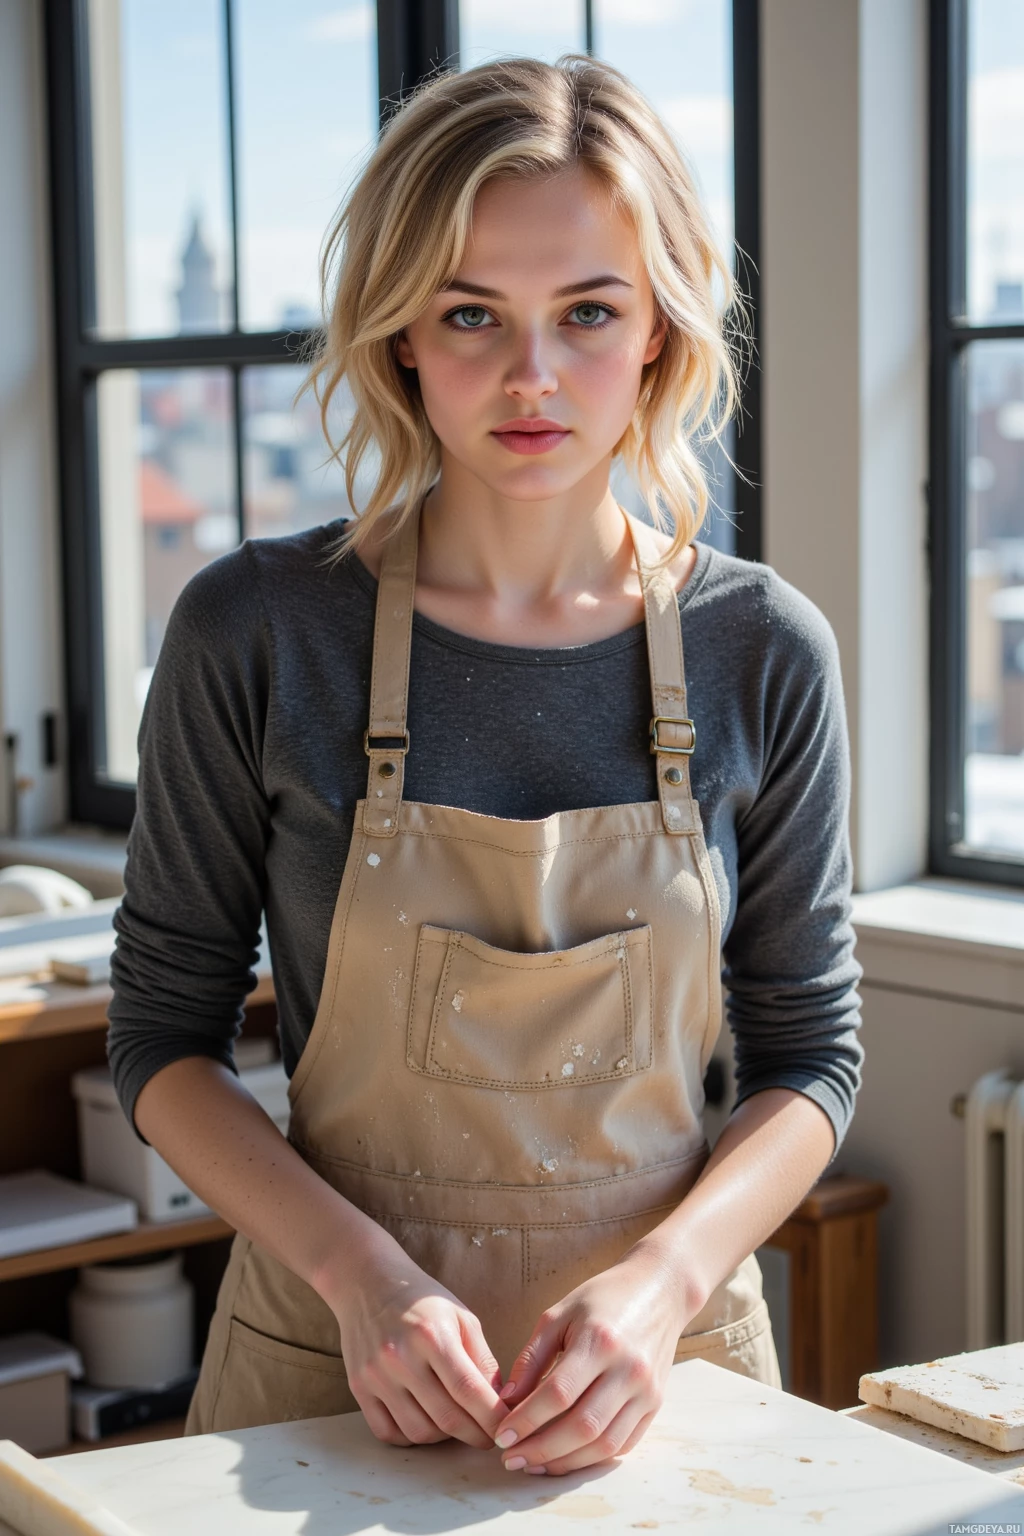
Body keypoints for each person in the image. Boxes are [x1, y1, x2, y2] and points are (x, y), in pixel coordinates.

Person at [108, 53, 863, 1478]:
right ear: (400, 336)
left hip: (673, 1383)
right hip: (326, 1375)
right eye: (472, 315)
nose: (531, 376)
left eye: (589, 311)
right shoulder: (258, 632)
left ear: (657, 332)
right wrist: (360, 1278)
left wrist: (662, 1286)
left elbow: (812, 1056)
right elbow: (160, 1039)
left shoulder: (765, 647)